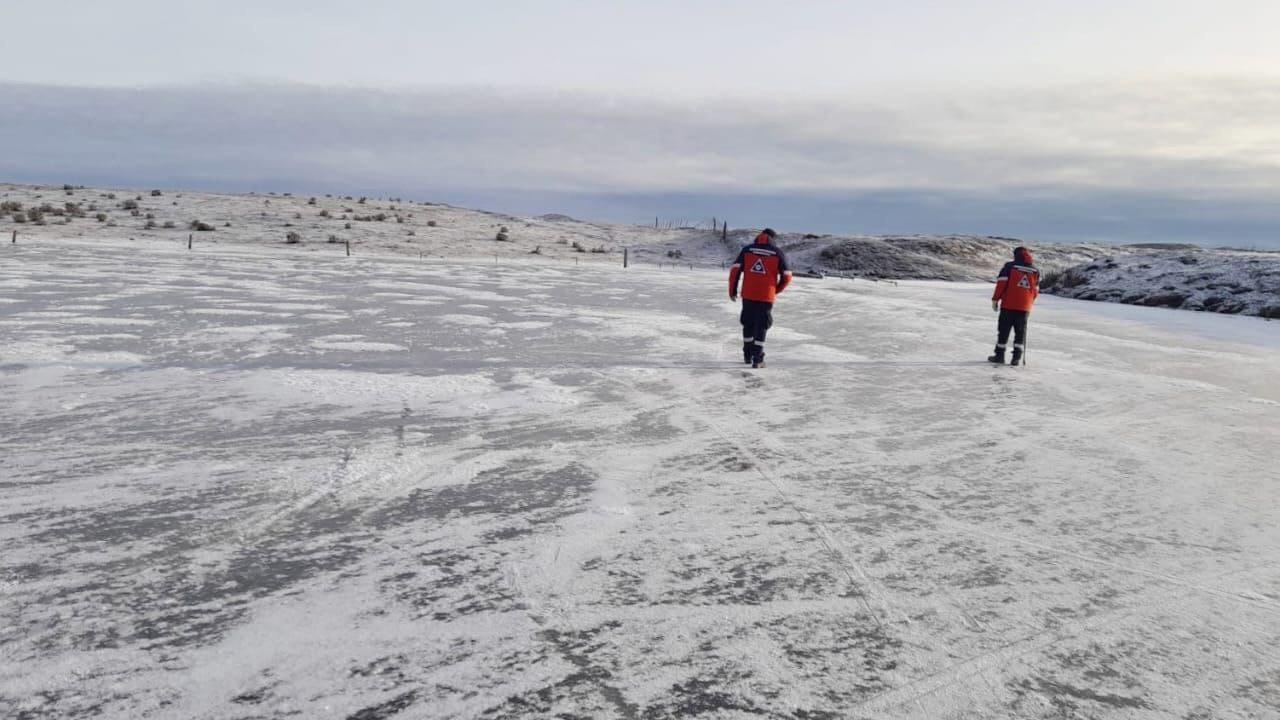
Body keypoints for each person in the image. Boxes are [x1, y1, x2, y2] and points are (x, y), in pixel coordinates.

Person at [728, 228, 793, 368]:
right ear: (773, 238)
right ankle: (757, 359)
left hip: (748, 294)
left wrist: (732, 290)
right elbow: (787, 276)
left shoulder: (747, 250)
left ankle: (747, 355)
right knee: (762, 325)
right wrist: (775, 290)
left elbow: (735, 271)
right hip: (766, 296)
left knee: (748, 323)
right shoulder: (777, 252)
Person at [989, 246, 1039, 366]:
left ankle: (999, 356)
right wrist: (1028, 303)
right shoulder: (1035, 271)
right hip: (1024, 307)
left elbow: (1001, 284)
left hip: (1008, 305)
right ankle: (1016, 358)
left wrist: (995, 299)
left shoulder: (1009, 267)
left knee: (1003, 330)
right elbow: (1035, 290)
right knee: (1020, 332)